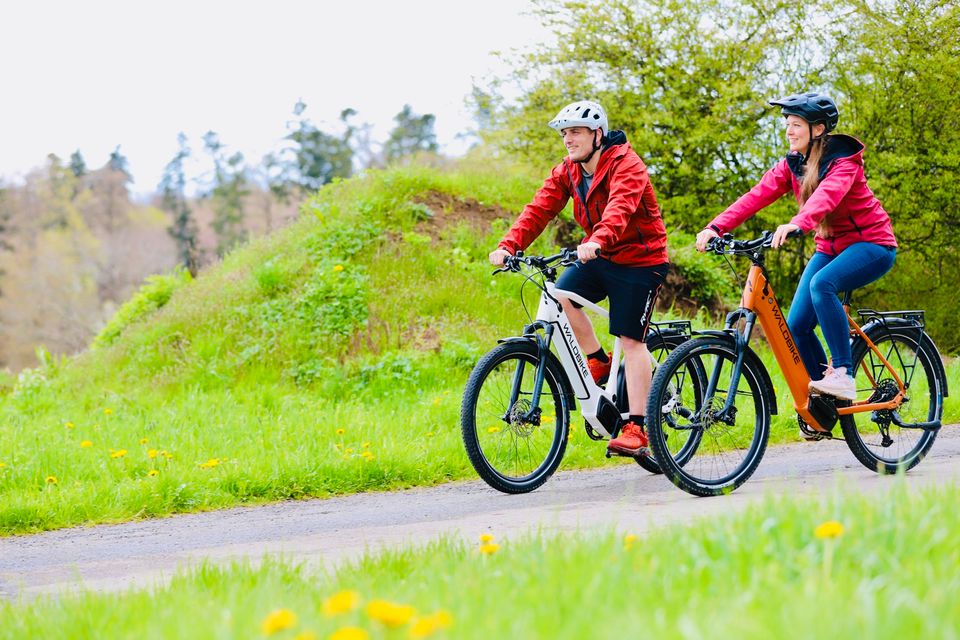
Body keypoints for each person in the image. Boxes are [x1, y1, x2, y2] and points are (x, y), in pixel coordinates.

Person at [489, 100, 669, 457]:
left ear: (597, 135)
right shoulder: (567, 171)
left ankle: (638, 425)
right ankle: (598, 359)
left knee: (632, 340)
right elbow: (538, 209)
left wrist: (598, 239)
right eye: (564, 134)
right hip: (602, 254)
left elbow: (621, 207)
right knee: (561, 293)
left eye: (575, 132)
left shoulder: (627, 165)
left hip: (640, 260)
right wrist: (509, 245)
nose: (568, 140)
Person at [696, 92, 897, 401]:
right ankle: (824, 398)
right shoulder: (793, 165)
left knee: (823, 284)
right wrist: (715, 226)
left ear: (818, 129)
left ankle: (843, 374)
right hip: (829, 247)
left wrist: (798, 222)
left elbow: (826, 196)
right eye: (787, 124)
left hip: (872, 244)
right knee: (797, 326)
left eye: (797, 124)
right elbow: (755, 196)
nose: (789, 131)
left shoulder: (844, 164)